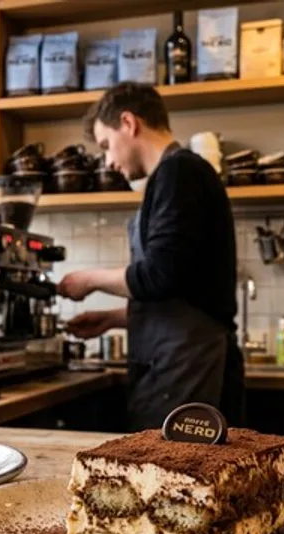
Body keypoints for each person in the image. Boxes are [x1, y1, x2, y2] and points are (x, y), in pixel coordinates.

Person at [57, 82, 241, 430]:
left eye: (106, 145)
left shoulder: (179, 172)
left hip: (188, 368)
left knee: (178, 464)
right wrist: (113, 319)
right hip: (179, 364)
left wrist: (89, 279)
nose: (108, 162)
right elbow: (183, 290)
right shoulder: (175, 175)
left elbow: (160, 273)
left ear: (129, 123)